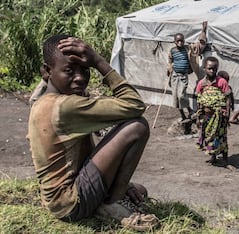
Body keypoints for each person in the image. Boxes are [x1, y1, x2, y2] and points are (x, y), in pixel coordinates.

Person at [27, 34, 159, 231]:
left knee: (139, 190)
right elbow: (135, 105)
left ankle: (110, 197)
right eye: (69, 71)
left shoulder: (43, 100)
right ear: (47, 71)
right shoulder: (66, 107)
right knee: (137, 127)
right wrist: (98, 61)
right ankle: (111, 205)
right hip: (71, 204)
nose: (80, 78)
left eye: (85, 70)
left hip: (58, 200)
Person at [195, 56, 232, 167]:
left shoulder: (221, 82)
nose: (212, 71)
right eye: (209, 68)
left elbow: (227, 99)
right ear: (204, 68)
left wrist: (227, 114)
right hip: (207, 116)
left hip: (220, 116)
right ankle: (213, 157)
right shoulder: (201, 84)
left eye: (214, 69)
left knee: (222, 137)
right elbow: (199, 100)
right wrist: (198, 116)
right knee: (210, 137)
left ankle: (225, 160)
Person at [167, 22, 207, 122]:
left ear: (184, 41)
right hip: (175, 76)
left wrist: (203, 31)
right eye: (178, 41)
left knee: (181, 95)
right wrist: (170, 69)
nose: (180, 42)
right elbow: (170, 61)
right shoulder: (172, 51)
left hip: (183, 76)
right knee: (175, 97)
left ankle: (189, 110)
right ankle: (182, 115)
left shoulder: (188, 49)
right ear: (175, 42)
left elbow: (199, 45)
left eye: (182, 40)